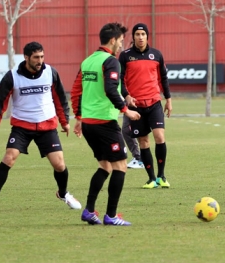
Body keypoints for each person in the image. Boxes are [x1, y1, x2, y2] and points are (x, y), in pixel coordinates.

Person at [0, 41, 81, 212]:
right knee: (9, 157)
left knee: (60, 165)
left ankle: (63, 193)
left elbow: (60, 98)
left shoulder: (50, 73)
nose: (40, 61)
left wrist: (64, 122)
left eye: (42, 56)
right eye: (36, 57)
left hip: (47, 127)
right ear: (26, 58)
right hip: (21, 127)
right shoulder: (12, 76)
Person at [71, 22, 140, 226]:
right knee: (120, 166)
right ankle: (111, 215)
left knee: (105, 166)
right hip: (104, 124)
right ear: (112, 40)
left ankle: (89, 211)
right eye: (120, 41)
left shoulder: (88, 61)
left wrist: (78, 117)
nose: (121, 45)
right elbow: (111, 89)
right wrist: (126, 110)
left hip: (89, 124)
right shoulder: (111, 61)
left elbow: (76, 91)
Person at [119, 23, 172, 189]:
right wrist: (126, 96)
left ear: (147, 36)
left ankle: (161, 176)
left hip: (154, 103)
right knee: (143, 141)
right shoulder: (125, 56)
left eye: (143, 34)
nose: (140, 37)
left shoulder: (156, 55)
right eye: (137, 34)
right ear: (133, 37)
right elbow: (120, 79)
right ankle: (151, 179)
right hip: (136, 106)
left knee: (160, 137)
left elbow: (163, 77)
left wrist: (168, 99)